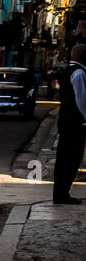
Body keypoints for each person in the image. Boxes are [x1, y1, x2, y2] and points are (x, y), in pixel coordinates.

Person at [53, 44, 86, 204]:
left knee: (64, 158)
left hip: (66, 120)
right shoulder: (79, 73)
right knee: (72, 158)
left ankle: (60, 193)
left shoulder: (67, 70)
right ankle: (62, 194)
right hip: (75, 123)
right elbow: (81, 100)